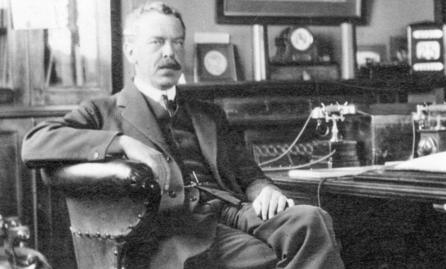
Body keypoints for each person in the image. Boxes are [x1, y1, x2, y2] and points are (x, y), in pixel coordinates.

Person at [21, 2, 344, 268]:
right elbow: (35, 143)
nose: (170, 52)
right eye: (157, 42)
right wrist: (122, 142)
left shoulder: (209, 113)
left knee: (311, 220)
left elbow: (249, 175)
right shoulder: (102, 111)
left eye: (177, 42)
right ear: (131, 50)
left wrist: (266, 190)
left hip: (234, 210)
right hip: (178, 226)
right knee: (266, 257)